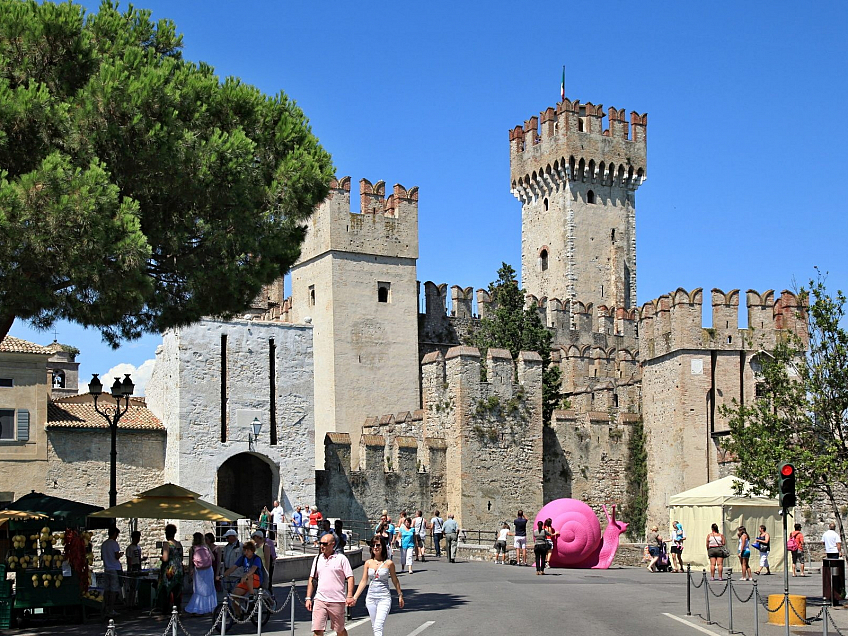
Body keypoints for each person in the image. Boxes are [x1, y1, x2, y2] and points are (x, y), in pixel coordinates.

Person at [351, 536, 404, 636]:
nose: (375, 547)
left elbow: (394, 579)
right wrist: (355, 597)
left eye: (378, 545)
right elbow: (363, 581)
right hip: (371, 598)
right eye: (373, 545)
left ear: (383, 546)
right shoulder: (368, 563)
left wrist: (400, 595)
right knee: (375, 626)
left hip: (384, 598)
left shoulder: (389, 563)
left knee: (378, 625)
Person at [304, 533, 355, 636]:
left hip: (337, 600)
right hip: (320, 599)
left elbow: (350, 577)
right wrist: (308, 598)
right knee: (317, 630)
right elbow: (312, 578)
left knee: (339, 629)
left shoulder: (341, 559)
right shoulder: (318, 558)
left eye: (325, 544)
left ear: (333, 544)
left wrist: (349, 595)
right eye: (320, 543)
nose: (322, 546)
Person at [221, 541, 263, 619]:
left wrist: (246, 575)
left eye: (247, 550)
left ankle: (251, 596)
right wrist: (222, 575)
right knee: (234, 595)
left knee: (249, 576)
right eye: (244, 550)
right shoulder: (243, 558)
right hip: (246, 581)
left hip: (255, 580)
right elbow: (233, 568)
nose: (245, 552)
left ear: (252, 550)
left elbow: (253, 569)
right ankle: (238, 614)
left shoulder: (256, 558)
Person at [186, 532, 216, 615]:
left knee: (199, 590)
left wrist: (190, 573)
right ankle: (210, 607)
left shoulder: (192, 548)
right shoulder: (206, 547)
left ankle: (198, 608)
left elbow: (190, 563)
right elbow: (213, 558)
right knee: (209, 589)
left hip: (199, 571)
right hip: (208, 570)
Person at [156, 524, 184, 614]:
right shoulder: (179, 544)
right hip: (178, 569)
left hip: (169, 570)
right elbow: (181, 557)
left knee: (166, 589)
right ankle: (177, 608)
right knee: (177, 590)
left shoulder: (166, 544)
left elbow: (165, 558)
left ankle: (166, 609)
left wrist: (160, 557)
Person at [100, 527, 123, 617]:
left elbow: (102, 557)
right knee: (113, 590)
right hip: (114, 568)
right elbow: (116, 556)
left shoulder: (104, 544)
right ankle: (111, 609)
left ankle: (105, 607)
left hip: (107, 568)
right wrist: (120, 554)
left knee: (107, 590)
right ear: (114, 534)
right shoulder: (114, 543)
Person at [125, 530, 144, 608]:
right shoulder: (130, 548)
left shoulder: (138, 547)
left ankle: (134, 602)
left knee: (136, 586)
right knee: (132, 587)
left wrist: (142, 560)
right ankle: (130, 604)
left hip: (138, 566)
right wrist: (130, 569)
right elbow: (129, 559)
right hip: (133, 567)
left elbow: (138, 558)